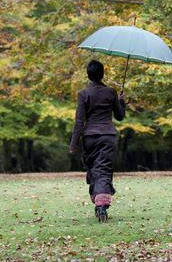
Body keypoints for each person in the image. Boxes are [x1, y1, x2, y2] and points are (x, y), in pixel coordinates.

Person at [69, 60, 126, 223]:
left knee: (95, 169)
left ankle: (100, 203)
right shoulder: (111, 92)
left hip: (89, 138)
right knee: (103, 169)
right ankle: (101, 204)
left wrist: (73, 144)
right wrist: (121, 102)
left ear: (88, 74)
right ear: (102, 74)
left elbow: (79, 121)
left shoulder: (83, 93)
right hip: (108, 136)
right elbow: (120, 116)